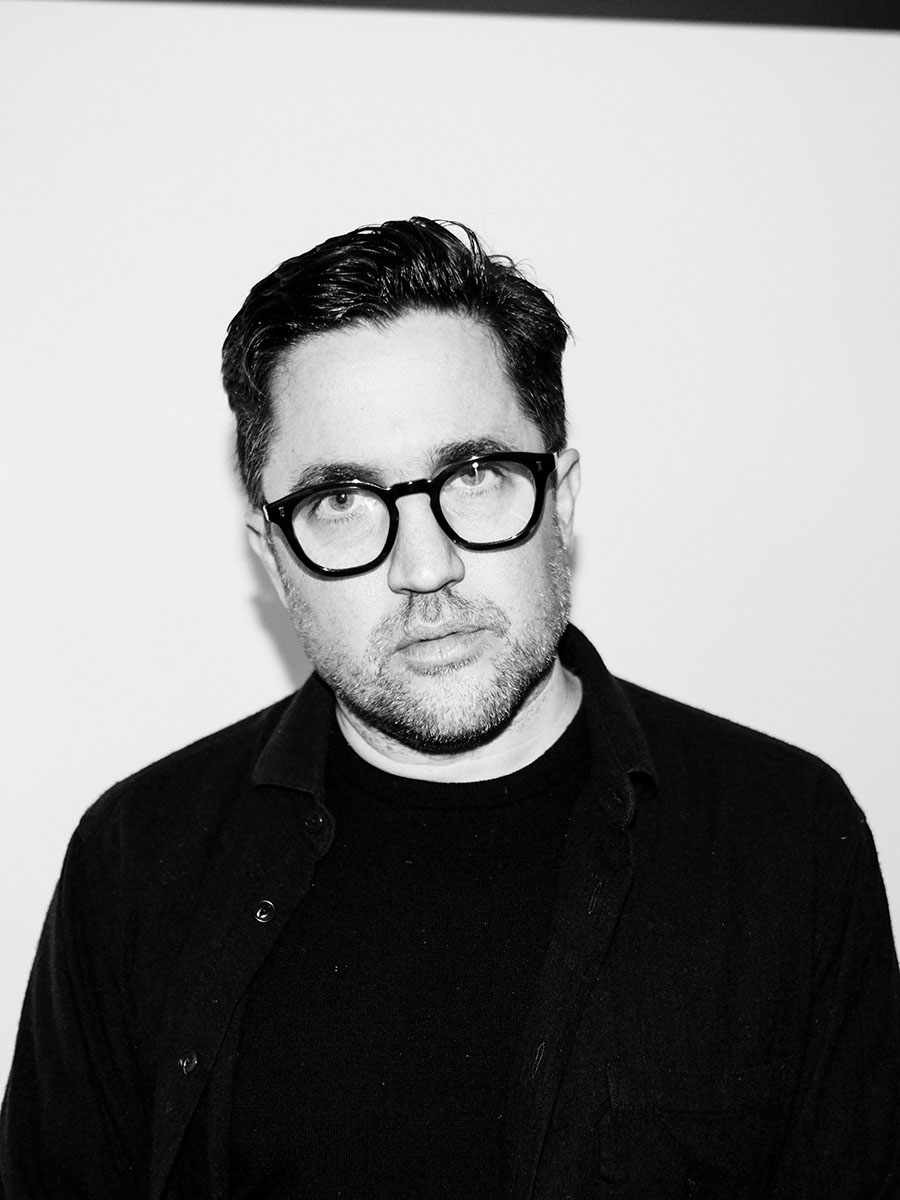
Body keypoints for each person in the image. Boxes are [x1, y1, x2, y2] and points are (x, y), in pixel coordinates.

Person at [1, 217, 898, 1199]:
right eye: (341, 500)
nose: (424, 567)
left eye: (474, 477)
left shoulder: (788, 839)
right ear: (273, 555)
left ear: (561, 498)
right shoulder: (137, 859)